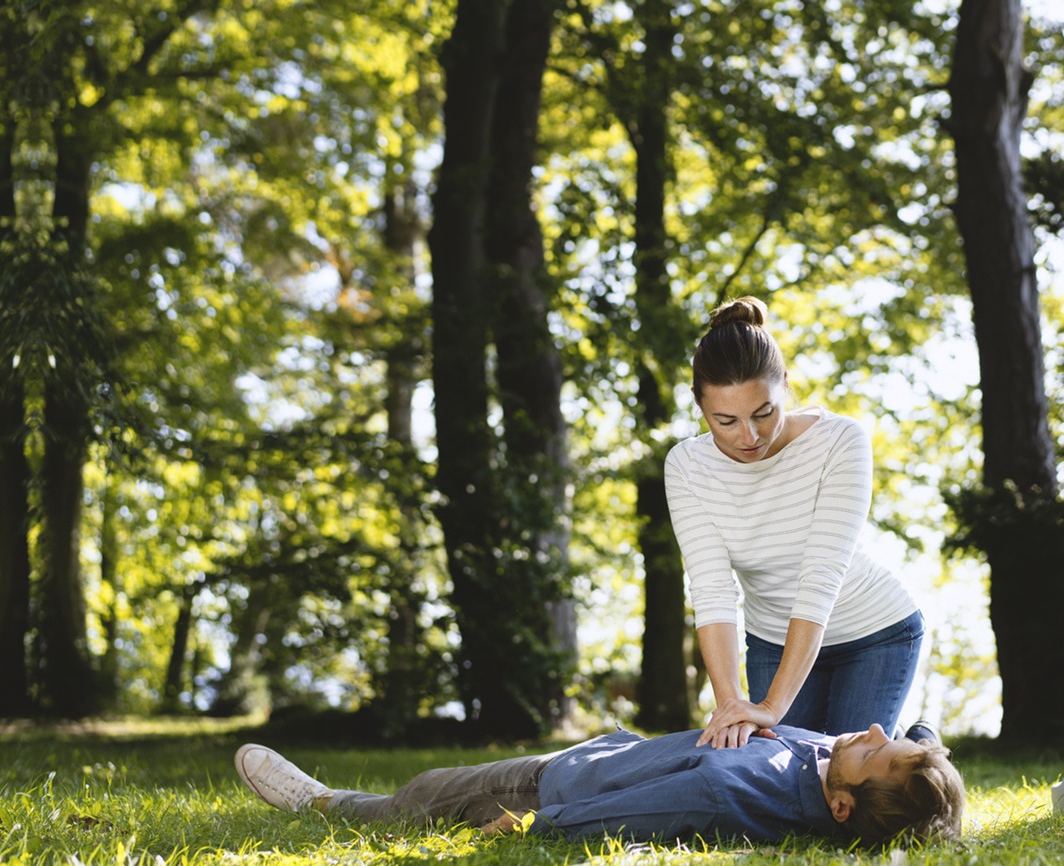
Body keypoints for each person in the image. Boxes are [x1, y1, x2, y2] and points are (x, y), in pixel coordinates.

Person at [667, 296, 924, 749]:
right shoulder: (687, 466)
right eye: (725, 420)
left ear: (785, 384)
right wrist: (731, 706)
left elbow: (820, 576)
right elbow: (712, 590)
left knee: (844, 783)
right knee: (783, 777)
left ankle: (915, 741)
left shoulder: (840, 441)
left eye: (763, 413)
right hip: (772, 641)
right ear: (698, 405)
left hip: (874, 633)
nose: (749, 437)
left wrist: (771, 708)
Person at [233, 722, 963, 847]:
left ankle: (325, 803)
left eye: (876, 750)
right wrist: (925, 752)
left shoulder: (734, 793)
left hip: (549, 790)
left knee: (423, 796)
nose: (869, 732)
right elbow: (916, 750)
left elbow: (640, 814)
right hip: (598, 756)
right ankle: (341, 802)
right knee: (431, 792)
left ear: (841, 806)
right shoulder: (819, 773)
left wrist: (536, 827)